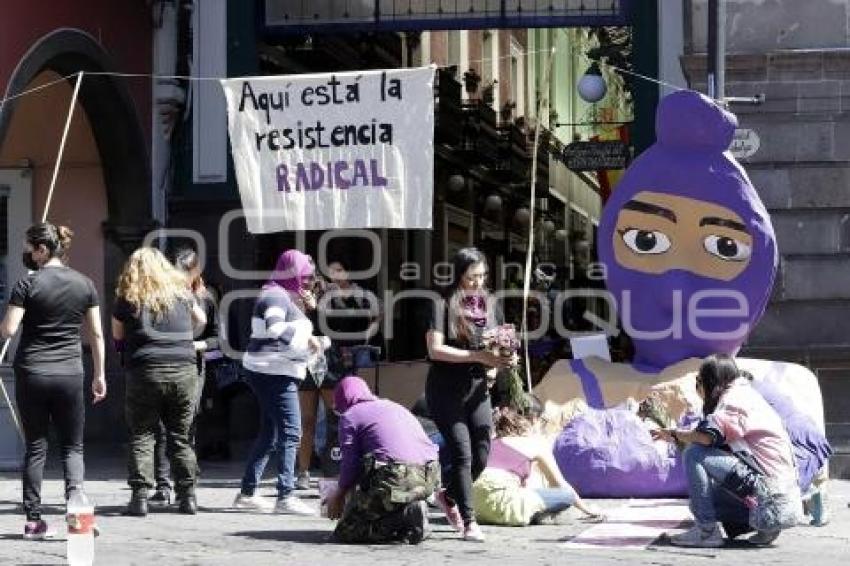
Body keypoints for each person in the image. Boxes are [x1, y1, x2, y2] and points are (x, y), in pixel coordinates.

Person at [0, 223, 105, 539]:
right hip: (70, 373)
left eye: (29, 248)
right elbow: (97, 334)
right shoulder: (85, 284)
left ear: (42, 250)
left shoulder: (26, 284)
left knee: (36, 446)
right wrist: (100, 374)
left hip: (32, 372)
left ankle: (33, 521)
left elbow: (8, 329)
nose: (27, 253)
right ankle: (76, 511)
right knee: (73, 447)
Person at [652, 354, 801, 548]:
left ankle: (706, 532)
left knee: (694, 453)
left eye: (700, 381)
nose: (698, 387)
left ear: (713, 380)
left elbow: (706, 437)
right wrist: (675, 436)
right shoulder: (747, 394)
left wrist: (675, 433)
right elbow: (719, 442)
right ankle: (767, 527)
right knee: (709, 499)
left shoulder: (734, 400)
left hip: (771, 497)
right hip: (784, 497)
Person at [425, 247, 514, 542]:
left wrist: (504, 361)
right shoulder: (441, 304)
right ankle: (469, 521)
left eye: (483, 276)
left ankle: (447, 495)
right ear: (459, 275)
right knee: (462, 453)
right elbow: (435, 350)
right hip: (445, 388)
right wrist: (478, 356)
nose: (478, 282)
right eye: (472, 276)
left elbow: (504, 344)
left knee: (482, 453)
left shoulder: (491, 305)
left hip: (478, 389)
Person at [113, 247, 207, 517]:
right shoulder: (180, 292)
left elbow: (117, 336)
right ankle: (188, 497)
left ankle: (140, 498)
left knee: (142, 434)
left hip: (145, 370)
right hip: (183, 369)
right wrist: (181, 335)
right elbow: (201, 319)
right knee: (180, 436)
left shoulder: (128, 298)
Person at [233, 249, 327, 515]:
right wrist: (307, 342)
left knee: (270, 433)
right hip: (273, 372)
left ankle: (247, 494)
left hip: (273, 369)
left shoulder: (281, 294)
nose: (308, 282)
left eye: (310, 278)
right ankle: (285, 496)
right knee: (291, 431)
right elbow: (274, 327)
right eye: (304, 276)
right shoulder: (275, 295)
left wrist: (306, 315)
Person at [323, 376, 440, 544]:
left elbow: (350, 464)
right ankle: (411, 516)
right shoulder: (395, 407)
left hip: (397, 476)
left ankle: (404, 518)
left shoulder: (350, 415)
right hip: (430, 475)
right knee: (375, 483)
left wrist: (339, 495)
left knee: (346, 532)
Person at [148, 247, 219, 506]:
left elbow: (216, 339)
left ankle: (186, 484)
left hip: (193, 366)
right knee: (161, 428)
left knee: (185, 426)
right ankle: (163, 485)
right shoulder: (162, 297)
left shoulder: (205, 298)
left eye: (183, 274)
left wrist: (197, 345)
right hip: (164, 363)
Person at [473, 405, 603, 527]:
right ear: (532, 422)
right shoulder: (535, 444)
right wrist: (588, 510)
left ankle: (532, 510)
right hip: (506, 509)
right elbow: (560, 485)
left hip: (476, 509)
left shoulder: (490, 444)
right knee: (566, 495)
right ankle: (538, 514)